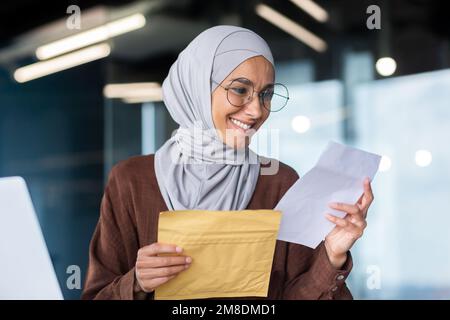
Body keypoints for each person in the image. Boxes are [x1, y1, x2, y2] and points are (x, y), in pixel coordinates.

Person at [81, 25, 373, 300]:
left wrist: (332, 254)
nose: (257, 109)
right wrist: (137, 281)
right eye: (240, 89)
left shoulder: (279, 182)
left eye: (266, 94)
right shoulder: (131, 180)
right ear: (197, 87)